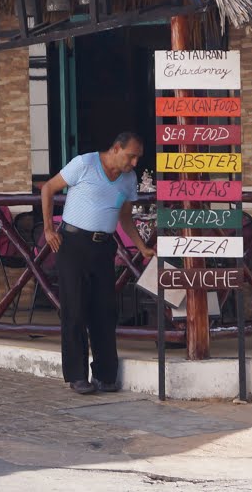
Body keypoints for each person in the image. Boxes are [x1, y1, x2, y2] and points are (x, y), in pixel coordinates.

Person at [40, 131, 155, 394]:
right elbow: (48, 188)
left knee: (104, 311)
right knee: (75, 309)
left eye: (138, 158)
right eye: (131, 156)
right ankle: (76, 376)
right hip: (73, 245)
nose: (134, 163)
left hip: (104, 247)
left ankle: (105, 375)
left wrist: (141, 247)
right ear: (116, 148)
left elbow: (125, 217)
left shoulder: (128, 179)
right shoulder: (85, 163)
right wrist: (48, 228)